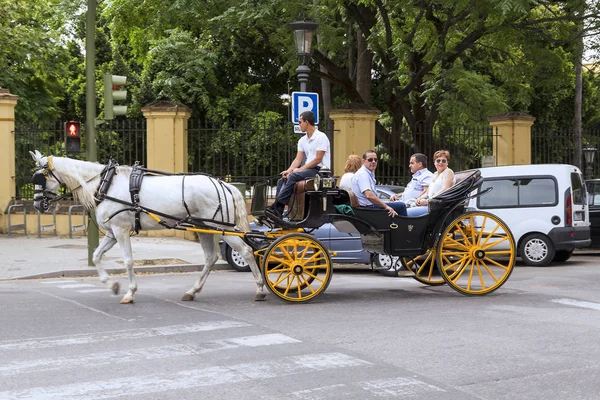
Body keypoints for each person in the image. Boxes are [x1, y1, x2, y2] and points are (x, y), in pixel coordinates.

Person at [266, 111, 331, 217]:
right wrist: (289, 170)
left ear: (307, 122)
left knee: (293, 176)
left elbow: (318, 159)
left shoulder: (321, 137)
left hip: (320, 171)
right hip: (308, 169)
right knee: (281, 180)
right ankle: (279, 212)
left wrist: (300, 170)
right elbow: (297, 159)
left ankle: (277, 207)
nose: (299, 124)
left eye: (300, 122)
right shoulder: (302, 140)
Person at [351, 150, 407, 217]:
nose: (373, 162)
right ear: (363, 161)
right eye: (370, 160)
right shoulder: (363, 174)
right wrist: (386, 206)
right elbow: (369, 195)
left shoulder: (367, 173)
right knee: (401, 206)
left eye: (375, 160)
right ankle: (403, 227)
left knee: (395, 204)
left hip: (367, 206)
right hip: (368, 207)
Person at [406, 149, 455, 217]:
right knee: (403, 207)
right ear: (434, 163)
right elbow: (427, 192)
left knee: (407, 212)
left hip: (436, 206)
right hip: (429, 203)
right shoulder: (435, 174)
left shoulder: (448, 172)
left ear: (447, 163)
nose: (440, 162)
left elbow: (445, 189)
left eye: (443, 161)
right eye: (438, 160)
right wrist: (419, 199)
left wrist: (428, 201)